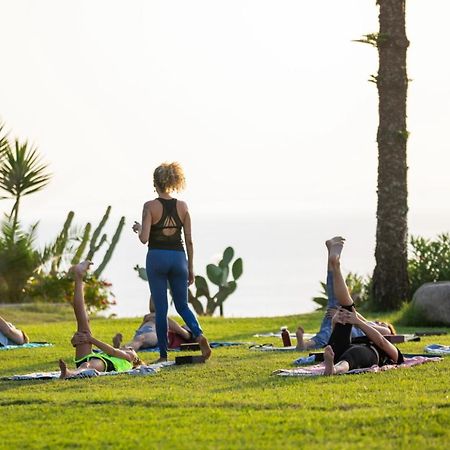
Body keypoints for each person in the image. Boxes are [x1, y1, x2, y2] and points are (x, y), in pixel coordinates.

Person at [133, 162, 211, 362]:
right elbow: (190, 240)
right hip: (179, 258)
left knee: (161, 310)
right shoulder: (183, 206)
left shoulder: (149, 206)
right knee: (182, 305)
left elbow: (144, 238)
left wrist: (139, 228)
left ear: (155, 183)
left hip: (157, 257)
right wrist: (191, 268)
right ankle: (199, 334)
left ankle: (163, 355)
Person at [319, 237, 404, 376]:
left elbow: (381, 341)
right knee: (345, 309)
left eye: (383, 324)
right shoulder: (360, 338)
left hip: (358, 353)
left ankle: (334, 369)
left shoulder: (392, 352)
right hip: (341, 349)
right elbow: (340, 335)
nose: (380, 323)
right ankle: (336, 265)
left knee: (351, 357)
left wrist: (358, 322)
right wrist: (336, 321)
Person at [295, 244, 396, 351]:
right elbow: (357, 316)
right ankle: (305, 345)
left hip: (349, 328)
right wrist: (339, 314)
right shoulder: (367, 322)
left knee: (328, 327)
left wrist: (348, 318)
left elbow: (381, 331)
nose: (379, 322)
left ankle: (332, 259)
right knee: (332, 304)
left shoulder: (385, 330)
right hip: (340, 318)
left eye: (382, 323)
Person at [58, 261, 142, 379]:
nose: (129, 348)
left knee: (88, 365)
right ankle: (78, 278)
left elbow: (113, 352)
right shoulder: (121, 359)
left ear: (134, 357)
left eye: (131, 349)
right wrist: (78, 341)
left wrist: (90, 339)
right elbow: (112, 350)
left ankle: (70, 373)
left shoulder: (129, 358)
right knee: (83, 323)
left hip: (103, 364)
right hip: (93, 357)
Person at [112, 311, 194, 351]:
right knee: (138, 339)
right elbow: (163, 319)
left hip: (154, 334)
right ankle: (120, 350)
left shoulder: (187, 334)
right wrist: (147, 319)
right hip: (147, 329)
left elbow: (166, 320)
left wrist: (153, 316)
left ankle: (120, 351)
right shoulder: (175, 332)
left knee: (140, 339)